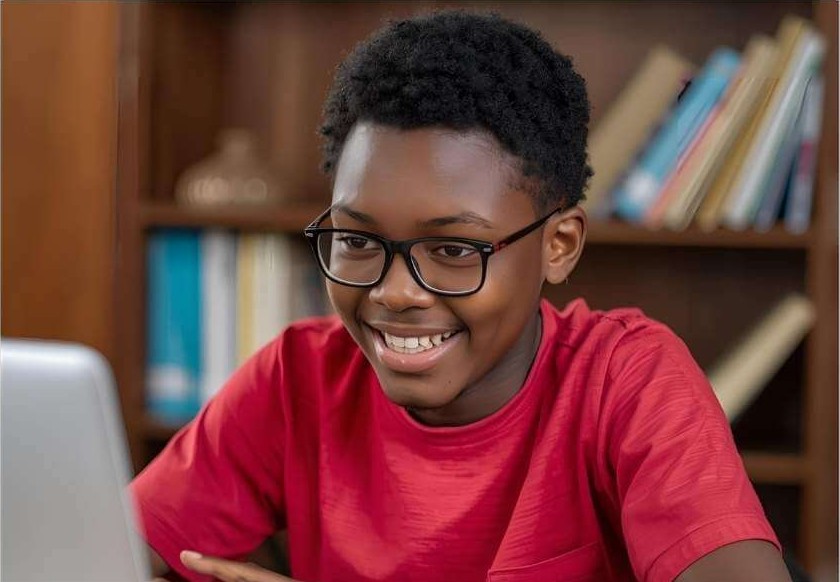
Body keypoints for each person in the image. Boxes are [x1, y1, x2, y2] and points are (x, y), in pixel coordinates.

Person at [133, 10, 792, 582]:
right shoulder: (298, 380)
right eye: (357, 241)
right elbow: (105, 555)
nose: (394, 292)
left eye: (452, 251)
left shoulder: (626, 382)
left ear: (559, 245)